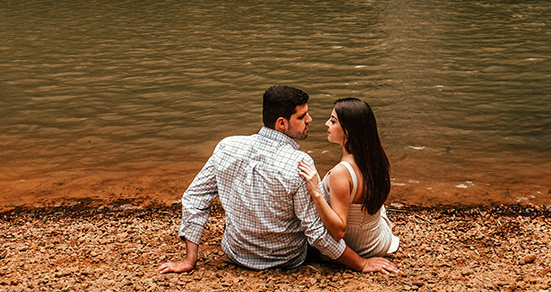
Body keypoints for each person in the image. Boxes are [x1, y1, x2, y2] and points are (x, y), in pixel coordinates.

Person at [156, 86, 399, 275]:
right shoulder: (300, 163)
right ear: (281, 123)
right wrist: (360, 264)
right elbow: (316, 233)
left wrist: (189, 259)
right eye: (302, 116)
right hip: (288, 258)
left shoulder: (226, 147)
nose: (311, 120)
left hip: (236, 253)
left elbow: (195, 197)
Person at [296, 97, 399, 258]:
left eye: (333, 121)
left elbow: (338, 232)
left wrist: (315, 191)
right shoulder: (376, 160)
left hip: (356, 249)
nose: (326, 124)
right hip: (379, 242)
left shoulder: (341, 173)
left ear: (348, 130)